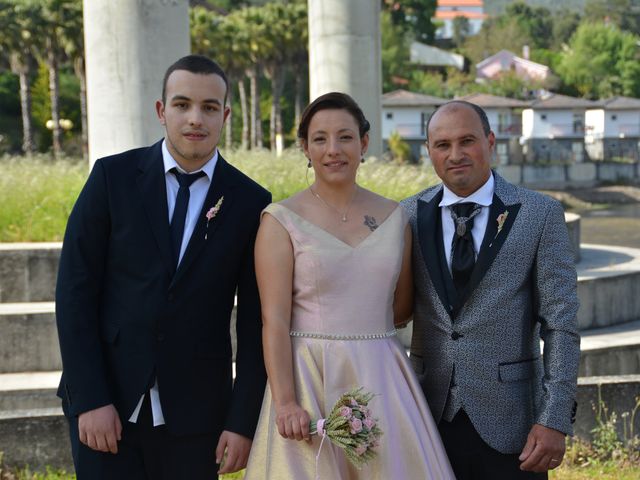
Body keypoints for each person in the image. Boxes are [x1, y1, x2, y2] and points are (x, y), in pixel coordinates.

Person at [55, 55, 270, 479]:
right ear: (161, 110)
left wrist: (241, 422)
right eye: (182, 104)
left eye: (209, 107)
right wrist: (91, 398)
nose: (195, 118)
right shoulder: (111, 178)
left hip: (196, 419)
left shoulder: (250, 202)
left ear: (225, 115)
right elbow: (74, 292)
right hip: (107, 407)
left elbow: (255, 323)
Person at [243, 92, 454, 479]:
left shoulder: (395, 218)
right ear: (305, 147)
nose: (333, 149)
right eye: (320, 139)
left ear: (364, 143)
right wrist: (286, 401)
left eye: (344, 136)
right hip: (310, 377)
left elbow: (402, 307)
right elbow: (272, 320)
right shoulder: (280, 220)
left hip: (383, 376)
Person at [401, 100, 580, 479]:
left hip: (513, 426)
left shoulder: (540, 214)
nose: (456, 154)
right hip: (425, 419)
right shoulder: (406, 216)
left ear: (491, 140)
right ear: (429, 151)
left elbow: (560, 324)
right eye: (442, 145)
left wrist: (555, 418)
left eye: (467, 141)